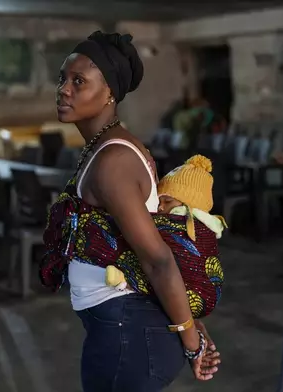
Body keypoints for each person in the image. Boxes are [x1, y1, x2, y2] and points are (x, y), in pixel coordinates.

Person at [41, 31, 220, 391]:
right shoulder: (105, 147)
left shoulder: (114, 161)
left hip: (129, 335)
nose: (64, 89)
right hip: (124, 325)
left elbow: (158, 259)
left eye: (79, 81)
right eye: (63, 79)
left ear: (109, 92)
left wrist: (191, 340)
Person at [104, 155, 227, 314]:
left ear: (190, 203)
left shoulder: (183, 221)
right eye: (159, 202)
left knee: (153, 265)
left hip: (181, 297)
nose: (161, 207)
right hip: (206, 298)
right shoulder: (212, 225)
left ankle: (125, 281)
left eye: (167, 202)